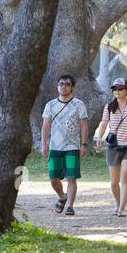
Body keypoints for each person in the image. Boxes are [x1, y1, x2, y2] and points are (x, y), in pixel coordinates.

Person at [93, 77, 127, 217]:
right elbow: (104, 123)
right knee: (114, 183)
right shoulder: (109, 107)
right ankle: (118, 204)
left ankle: (122, 208)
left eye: (120, 89)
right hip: (113, 147)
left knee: (124, 178)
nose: (117, 91)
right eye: (115, 89)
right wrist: (99, 138)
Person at [41, 74, 89, 215]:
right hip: (55, 147)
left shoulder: (79, 105)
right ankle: (62, 196)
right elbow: (45, 126)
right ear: (57, 87)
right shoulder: (50, 105)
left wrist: (84, 144)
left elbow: (84, 126)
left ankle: (70, 206)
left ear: (72, 87)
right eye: (61, 84)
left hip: (72, 147)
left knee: (71, 177)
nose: (64, 86)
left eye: (67, 84)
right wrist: (44, 144)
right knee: (53, 179)